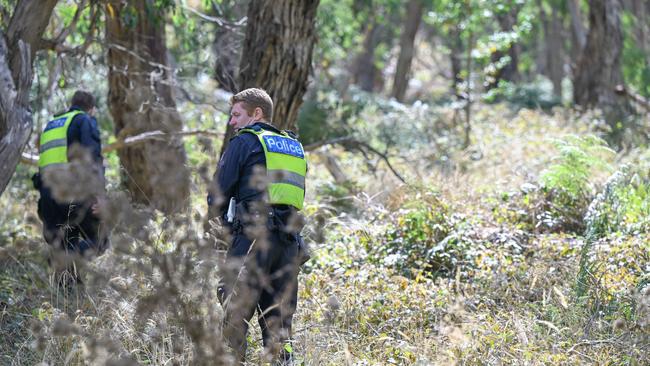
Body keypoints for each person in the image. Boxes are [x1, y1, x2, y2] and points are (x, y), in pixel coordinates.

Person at [207, 88, 308, 364]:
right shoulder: (293, 147)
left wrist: (219, 230)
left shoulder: (244, 142)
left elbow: (217, 195)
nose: (232, 122)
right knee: (279, 324)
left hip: (253, 239)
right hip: (289, 246)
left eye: (237, 115)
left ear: (257, 114)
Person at [32, 90, 108, 285]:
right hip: (74, 194)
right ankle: (66, 258)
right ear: (91, 109)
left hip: (48, 199)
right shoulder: (84, 120)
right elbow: (91, 158)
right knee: (101, 240)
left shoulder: (51, 126)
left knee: (66, 247)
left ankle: (69, 301)